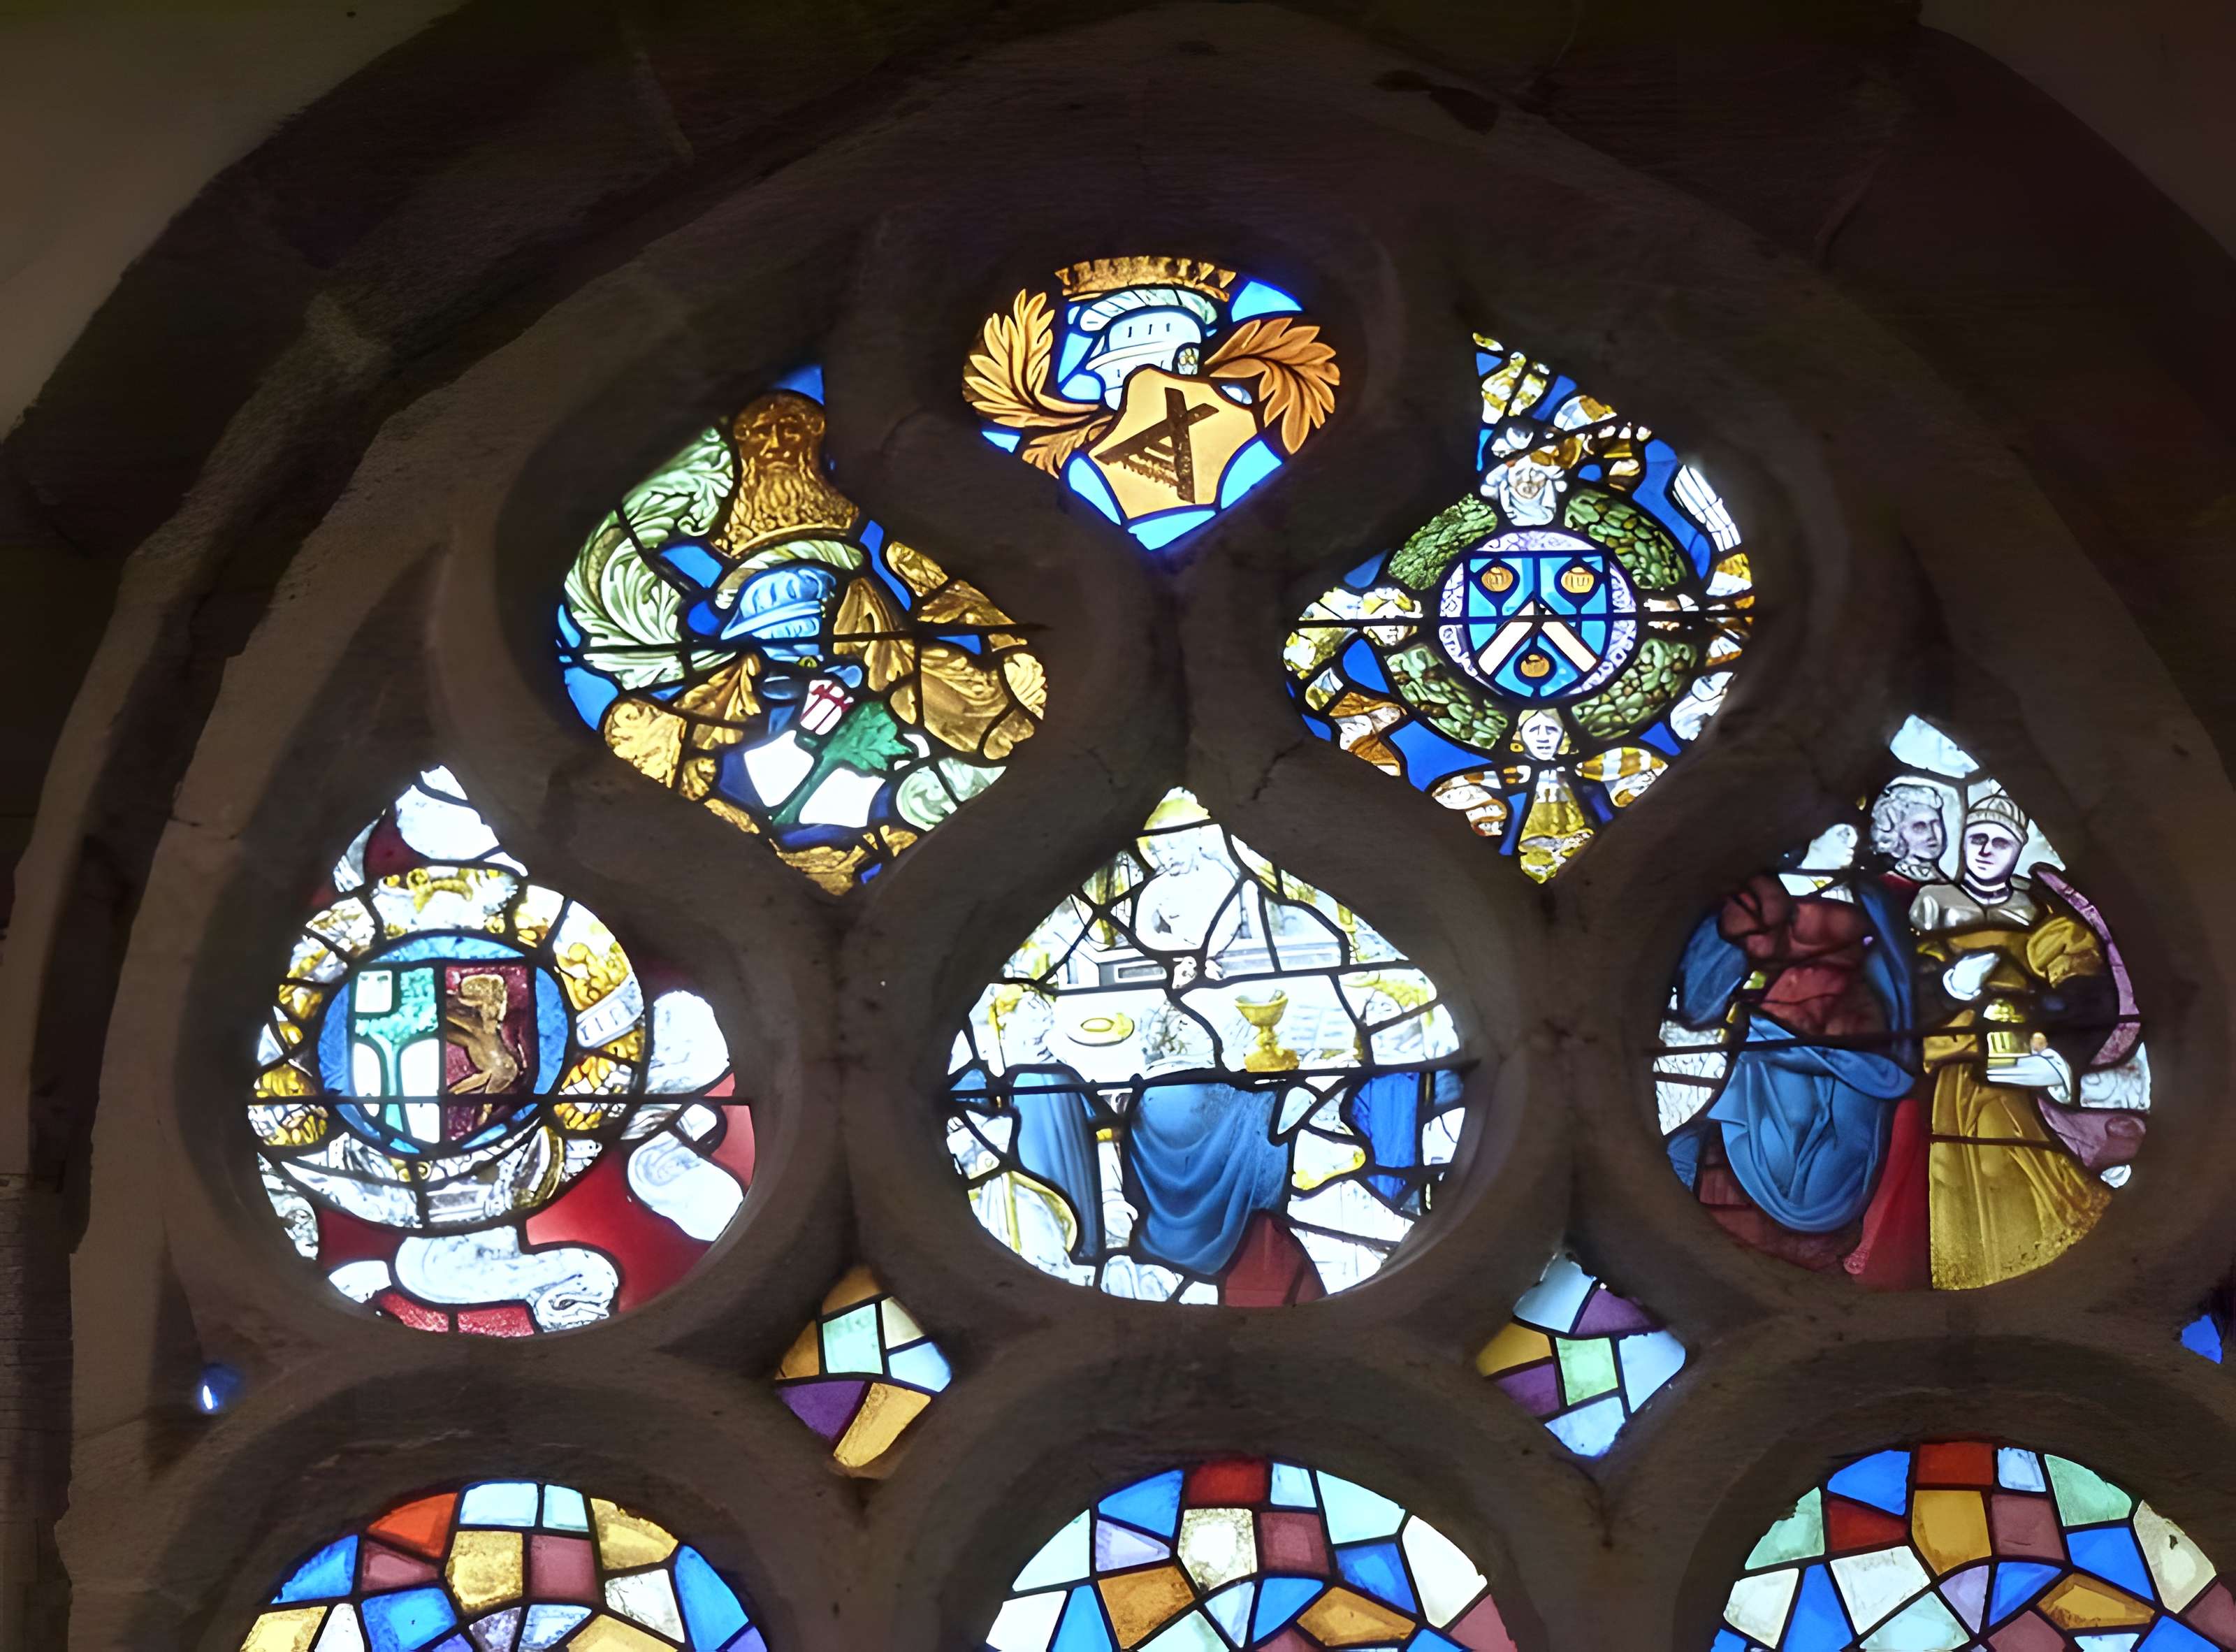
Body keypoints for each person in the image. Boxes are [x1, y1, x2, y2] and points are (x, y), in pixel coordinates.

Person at [1906, 792, 2140, 1288]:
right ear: (1961, 843)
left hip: (2021, 1065)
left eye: (2001, 841)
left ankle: (2054, 1266)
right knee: (1957, 1170)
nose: (1987, 849)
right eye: (1977, 838)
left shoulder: (2039, 914)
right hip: (1951, 1069)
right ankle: (1968, 1274)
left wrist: (2058, 1057)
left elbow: (2085, 983)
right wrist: (1948, 987)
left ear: (2017, 852)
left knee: (2012, 1159)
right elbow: (1896, 990)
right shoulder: (1929, 908)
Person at [1666, 865, 1919, 1271]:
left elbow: (1884, 1063)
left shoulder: (1845, 929)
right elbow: (1705, 1006)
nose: (1750, 946)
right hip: (1773, 1064)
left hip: (1843, 1072)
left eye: (1751, 938)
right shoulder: (1769, 950)